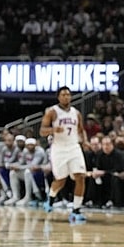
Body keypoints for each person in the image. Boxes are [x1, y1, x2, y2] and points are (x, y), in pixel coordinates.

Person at [39, 86, 89, 223]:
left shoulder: (76, 113)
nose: (66, 97)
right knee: (61, 180)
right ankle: (51, 197)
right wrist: (53, 129)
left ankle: (76, 209)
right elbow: (42, 131)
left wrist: (85, 141)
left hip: (74, 147)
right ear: (58, 97)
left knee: (80, 177)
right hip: (59, 148)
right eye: (63, 94)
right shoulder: (52, 112)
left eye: (68, 94)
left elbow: (81, 129)